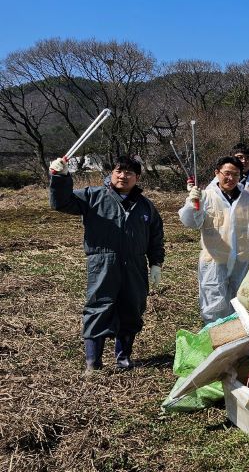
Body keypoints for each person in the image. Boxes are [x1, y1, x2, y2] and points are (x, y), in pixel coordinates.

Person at [49, 155, 165, 373]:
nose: (123, 176)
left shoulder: (146, 206)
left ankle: (124, 358)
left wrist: (156, 263)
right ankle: (93, 363)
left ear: (137, 177)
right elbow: (61, 203)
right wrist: (60, 177)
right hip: (102, 263)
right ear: (111, 173)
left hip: (134, 265)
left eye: (129, 173)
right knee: (98, 308)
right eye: (118, 171)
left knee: (132, 308)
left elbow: (156, 236)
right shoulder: (93, 196)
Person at [181, 156, 249, 324]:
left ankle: (243, 345)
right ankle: (219, 344)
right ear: (217, 173)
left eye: (235, 174)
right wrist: (193, 203)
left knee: (243, 306)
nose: (230, 178)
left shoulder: (248, 199)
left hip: (243, 262)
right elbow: (190, 222)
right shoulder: (205, 196)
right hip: (215, 262)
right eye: (226, 173)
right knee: (214, 307)